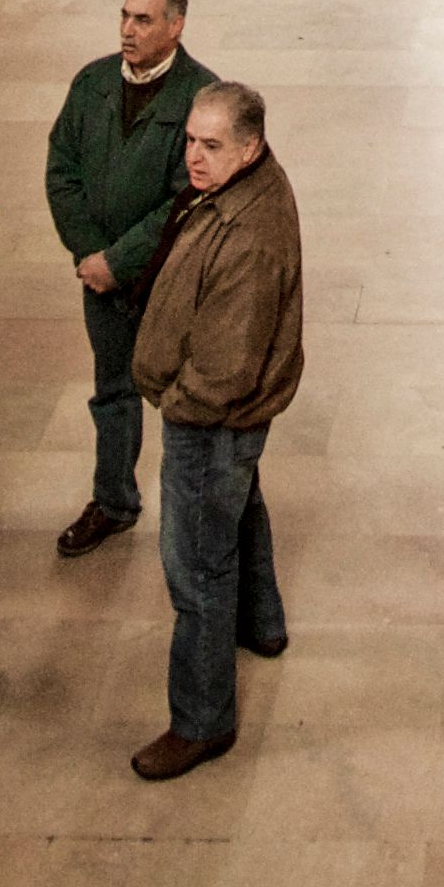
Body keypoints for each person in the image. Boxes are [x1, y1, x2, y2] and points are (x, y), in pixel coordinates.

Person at [125, 78, 301, 780]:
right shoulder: (245, 185)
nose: (193, 159)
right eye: (190, 142)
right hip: (230, 419)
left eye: (211, 146)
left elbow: (225, 370)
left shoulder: (248, 234)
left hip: (211, 419)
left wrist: (174, 399)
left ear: (250, 146)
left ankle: (202, 721)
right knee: (238, 509)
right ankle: (261, 624)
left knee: (196, 567)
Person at [48, 0, 219, 562]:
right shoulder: (92, 83)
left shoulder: (202, 97)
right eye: (124, 15)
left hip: (169, 284)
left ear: (176, 26)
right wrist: (89, 254)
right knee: (113, 392)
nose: (127, 29)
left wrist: (118, 261)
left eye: (143, 20)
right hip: (103, 283)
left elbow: (187, 197)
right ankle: (113, 501)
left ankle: (197, 511)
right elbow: (62, 172)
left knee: (188, 398)